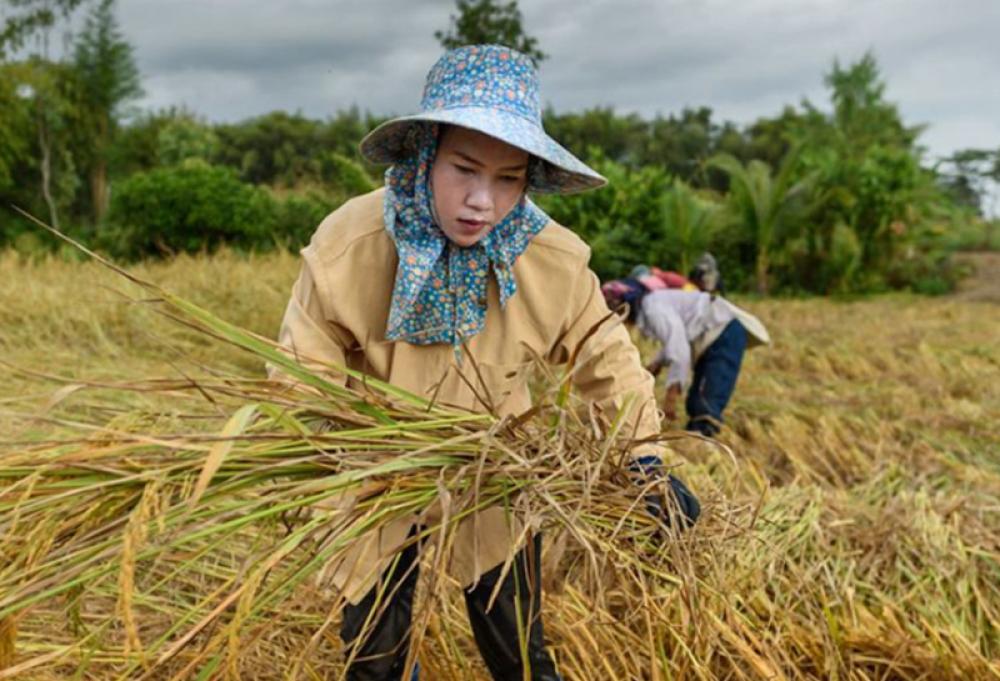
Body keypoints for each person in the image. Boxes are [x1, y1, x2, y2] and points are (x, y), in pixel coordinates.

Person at [272, 45, 697, 681]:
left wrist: (643, 459)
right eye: (464, 169)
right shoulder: (350, 245)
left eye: (508, 179)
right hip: (377, 469)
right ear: (426, 155)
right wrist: (327, 451)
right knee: (375, 660)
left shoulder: (547, 257)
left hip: (495, 464)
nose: (482, 201)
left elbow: (605, 354)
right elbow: (302, 368)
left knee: (520, 651)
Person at [603, 279, 770, 437]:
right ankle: (696, 440)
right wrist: (657, 363)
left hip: (723, 332)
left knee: (706, 403)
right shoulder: (651, 305)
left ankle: (704, 446)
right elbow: (676, 338)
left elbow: (679, 350)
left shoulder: (653, 309)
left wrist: (670, 396)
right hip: (714, 334)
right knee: (696, 400)